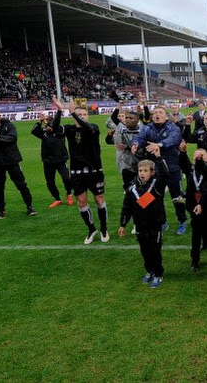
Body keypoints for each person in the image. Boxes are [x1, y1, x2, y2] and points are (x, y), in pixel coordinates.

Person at [52, 97, 108, 244]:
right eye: (80, 115)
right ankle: (91, 229)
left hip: (94, 171)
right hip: (77, 173)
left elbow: (88, 128)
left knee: (99, 199)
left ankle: (103, 228)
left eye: (84, 115)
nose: (83, 117)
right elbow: (55, 129)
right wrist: (59, 111)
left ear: (87, 116)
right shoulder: (70, 129)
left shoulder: (93, 127)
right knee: (81, 202)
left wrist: (73, 113)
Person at [132, 106, 187, 235]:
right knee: (156, 197)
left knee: (177, 197)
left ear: (166, 117)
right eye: (155, 112)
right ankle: (163, 222)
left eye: (160, 112)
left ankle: (182, 221)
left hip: (172, 168)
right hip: (155, 170)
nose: (157, 115)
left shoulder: (173, 128)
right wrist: (136, 144)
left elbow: (173, 139)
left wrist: (159, 145)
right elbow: (139, 137)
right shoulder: (147, 128)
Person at [118, 156, 169, 289]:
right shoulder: (132, 187)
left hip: (155, 224)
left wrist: (158, 158)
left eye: (146, 170)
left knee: (155, 250)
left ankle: (158, 274)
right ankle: (149, 270)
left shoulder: (157, 185)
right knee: (145, 250)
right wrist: (123, 224)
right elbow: (127, 206)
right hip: (140, 224)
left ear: (152, 172)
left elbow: (165, 174)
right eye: (140, 170)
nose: (142, 173)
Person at [0, 108, 36, 218]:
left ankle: (30, 206)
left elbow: (12, 138)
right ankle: (1, 209)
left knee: (21, 184)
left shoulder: (8, 125)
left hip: (12, 160)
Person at [180, 146, 207, 272]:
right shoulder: (191, 170)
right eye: (196, 156)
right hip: (193, 206)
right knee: (195, 236)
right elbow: (182, 163)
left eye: (202, 156)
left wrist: (202, 204)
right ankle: (195, 261)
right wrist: (183, 153)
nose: (198, 158)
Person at [31, 112, 73, 209]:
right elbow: (33, 131)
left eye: (50, 125)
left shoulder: (60, 132)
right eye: (47, 125)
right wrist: (39, 121)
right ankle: (57, 199)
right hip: (48, 161)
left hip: (61, 160)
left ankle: (69, 193)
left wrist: (53, 125)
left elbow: (57, 125)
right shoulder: (44, 133)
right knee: (50, 182)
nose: (47, 127)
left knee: (66, 178)